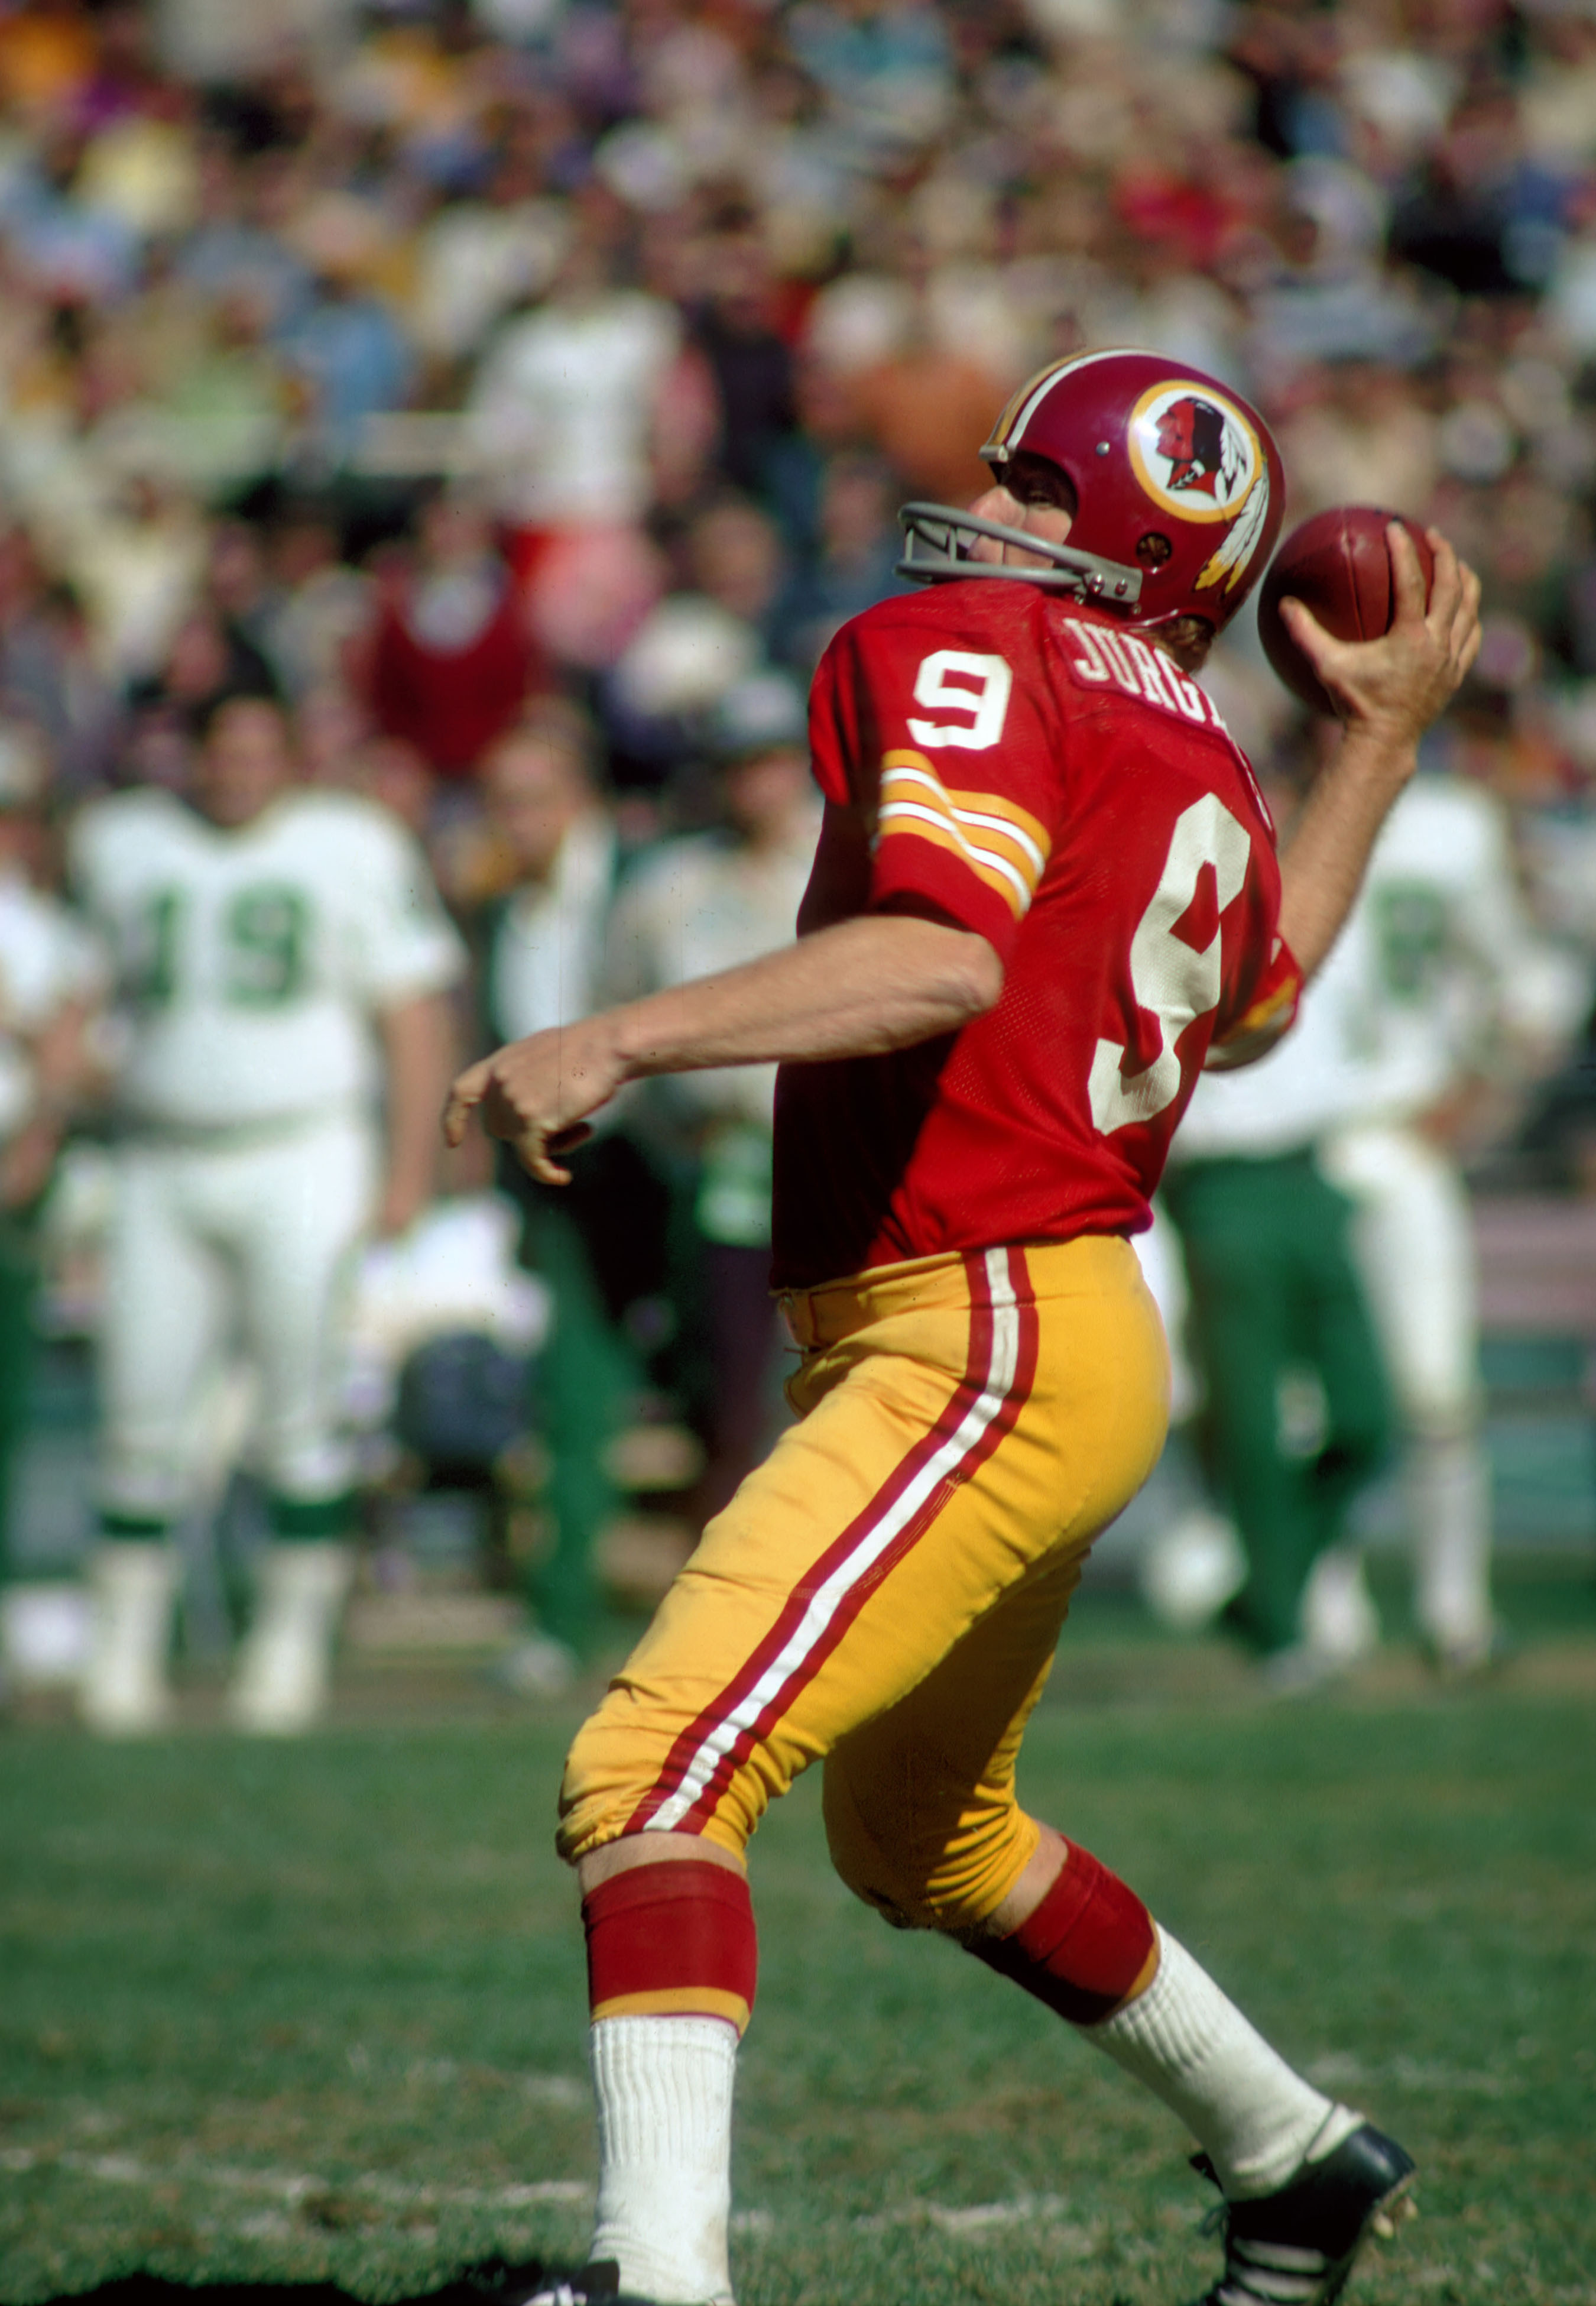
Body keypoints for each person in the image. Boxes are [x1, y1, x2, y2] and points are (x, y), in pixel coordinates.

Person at [446, 350, 1481, 2306]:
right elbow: (1256, 1003)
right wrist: (1375, 753)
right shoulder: (1191, 734)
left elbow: (936, 957)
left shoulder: (967, 640)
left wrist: (621, 1032)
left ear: (1103, 529)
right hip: (1046, 1321)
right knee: (925, 1838)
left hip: (980, 1321)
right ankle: (1295, 2161)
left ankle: (659, 2285)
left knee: (653, 1769)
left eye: (1031, 477)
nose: (984, 493)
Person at [73, 693, 465, 1736]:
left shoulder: (350, 843)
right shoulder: (126, 842)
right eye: (220, 747)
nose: (238, 769)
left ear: (293, 757)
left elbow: (411, 1011)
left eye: (259, 749)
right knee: (138, 1405)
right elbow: (84, 992)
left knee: (305, 1407)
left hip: (305, 1149)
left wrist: (407, 1172)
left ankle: (286, 1652)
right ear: (189, 756)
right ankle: (123, 1659)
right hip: (160, 1155)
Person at [601, 671, 823, 1523]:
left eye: (768, 762)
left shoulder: (842, 863)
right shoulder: (668, 890)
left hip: (836, 1164)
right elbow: (616, 1020)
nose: (753, 785)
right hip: (717, 1171)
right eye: (736, 765)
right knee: (728, 1391)